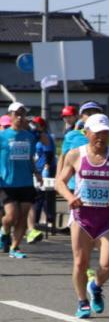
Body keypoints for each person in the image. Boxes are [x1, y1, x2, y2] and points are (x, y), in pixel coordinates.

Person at [54, 115, 109, 318]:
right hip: (81, 217)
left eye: (105, 132)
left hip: (106, 218)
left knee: (108, 264)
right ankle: (82, 302)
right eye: (97, 133)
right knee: (80, 262)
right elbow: (60, 182)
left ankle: (95, 285)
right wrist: (70, 197)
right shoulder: (75, 155)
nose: (101, 137)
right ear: (86, 133)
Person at [0, 102, 52, 258]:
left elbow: (46, 142)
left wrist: (36, 172)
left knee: (23, 216)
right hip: (6, 182)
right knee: (11, 216)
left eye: (23, 114)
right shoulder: (2, 136)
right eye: (17, 114)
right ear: (10, 115)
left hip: (26, 182)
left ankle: (15, 248)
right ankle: (4, 231)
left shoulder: (29, 136)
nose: (20, 117)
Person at [27, 115, 56, 242]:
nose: (34, 126)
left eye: (36, 124)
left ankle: (45, 220)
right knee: (39, 197)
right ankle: (36, 222)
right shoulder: (33, 136)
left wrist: (47, 168)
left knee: (42, 197)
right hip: (37, 168)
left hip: (45, 169)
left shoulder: (45, 136)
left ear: (42, 125)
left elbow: (49, 154)